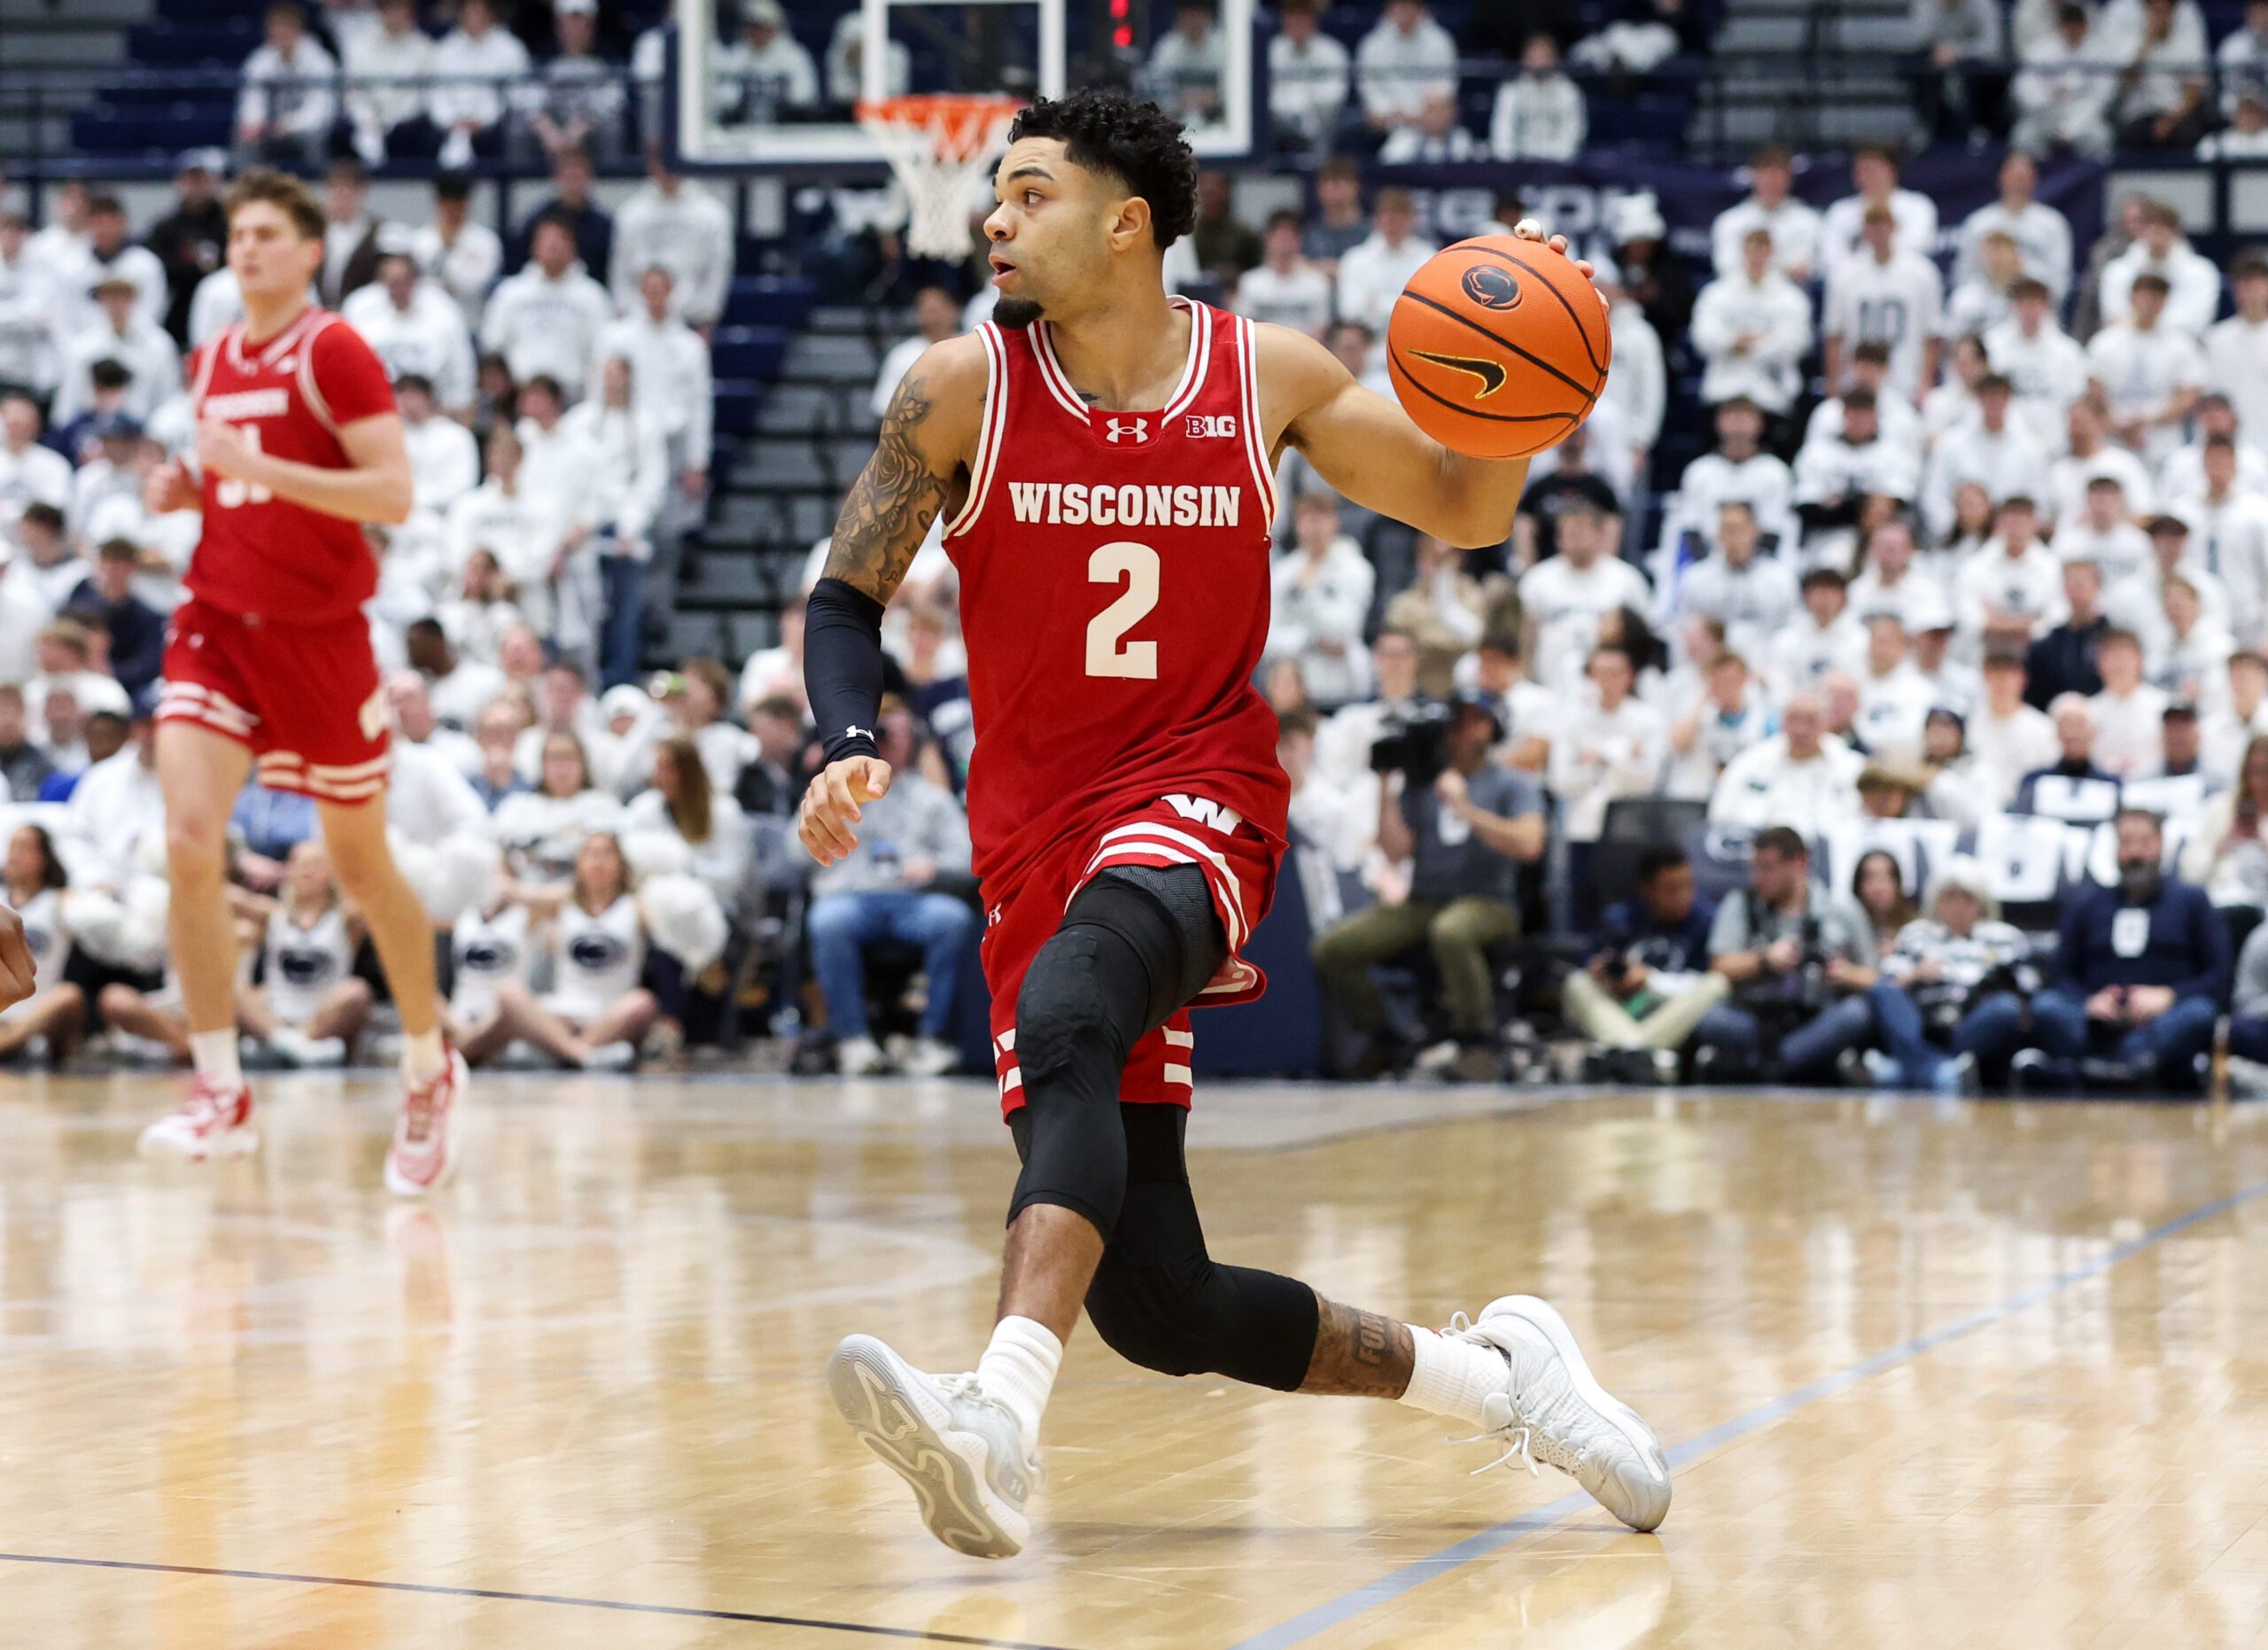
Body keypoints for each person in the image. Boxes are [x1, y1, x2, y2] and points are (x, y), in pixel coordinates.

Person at [799, 91, 1669, 1560]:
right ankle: (1505, 1377)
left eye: (1029, 194)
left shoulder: (1267, 373)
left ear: (1126, 222)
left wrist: (1522, 400)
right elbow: (846, 596)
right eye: (994, 197)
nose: (992, 220)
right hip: (1032, 844)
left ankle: (994, 1412)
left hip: (1196, 794)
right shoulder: (958, 388)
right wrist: (837, 742)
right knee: (1162, 1302)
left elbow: (1462, 506)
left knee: (1080, 1005)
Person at [135, 167, 468, 1194]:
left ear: (311, 250)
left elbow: (393, 493)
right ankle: (219, 1087)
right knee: (188, 840)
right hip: (216, 623)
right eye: (237, 233)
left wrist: (262, 470)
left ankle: (427, 1060)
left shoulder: (335, 349)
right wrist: (195, 487)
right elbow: (243, 478)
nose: (246, 248)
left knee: (362, 866)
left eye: (268, 233)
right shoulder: (212, 355)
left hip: (320, 639)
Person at [1310, 695, 1545, 1077]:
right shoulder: (1423, 784)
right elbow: (1396, 851)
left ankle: (1476, 1041)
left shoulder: (1511, 783)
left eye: (1473, 722)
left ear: (1492, 728)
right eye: (1457, 723)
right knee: (1333, 948)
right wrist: (1386, 784)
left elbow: (1529, 844)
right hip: (1425, 899)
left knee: (1451, 931)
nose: (1462, 732)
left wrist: (1465, 808)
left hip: (1490, 901)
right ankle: (1388, 1035)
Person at [1976, 808, 2225, 1089]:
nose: (2134, 853)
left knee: (2200, 1013)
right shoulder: (2086, 904)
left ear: (2160, 845)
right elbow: (2060, 975)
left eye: (2144, 842)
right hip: (2096, 1024)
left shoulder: (2192, 902)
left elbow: (2218, 976)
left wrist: (2168, 996)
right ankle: (2121, 1070)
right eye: (2126, 842)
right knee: (2047, 1007)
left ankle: (2110, 1068)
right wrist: (2088, 1002)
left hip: (2162, 1021)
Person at [804, 698, 974, 1078]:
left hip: (912, 900)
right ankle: (852, 1040)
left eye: (896, 733)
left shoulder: (931, 797)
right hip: (850, 897)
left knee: (954, 919)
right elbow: (792, 854)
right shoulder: (838, 789)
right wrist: (820, 775)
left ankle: (930, 1040)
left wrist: (934, 867)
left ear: (912, 739)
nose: (887, 742)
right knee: (828, 922)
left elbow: (966, 858)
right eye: (880, 732)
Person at [460, 832, 659, 1070]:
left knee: (643, 1003)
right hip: (562, 1011)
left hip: (612, 1015)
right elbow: (522, 893)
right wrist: (489, 878)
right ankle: (582, 1055)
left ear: (621, 864)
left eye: (607, 854)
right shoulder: (562, 901)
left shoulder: (636, 905)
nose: (599, 861)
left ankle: (556, 1053)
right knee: (507, 992)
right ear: (579, 863)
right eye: (591, 854)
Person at [1696, 826, 1880, 1080]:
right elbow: (1719, 966)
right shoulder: (1741, 903)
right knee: (1713, 1019)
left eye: (1767, 868)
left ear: (1799, 864)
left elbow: (1874, 978)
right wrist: (1764, 958)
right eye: (1755, 867)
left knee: (1856, 1013)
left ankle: (1767, 1068)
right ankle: (1793, 1065)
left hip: (1815, 1020)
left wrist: (1844, 972)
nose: (1758, 877)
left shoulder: (1841, 909)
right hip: (1755, 1021)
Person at [1563, 844, 1729, 1081]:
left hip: (1670, 1007)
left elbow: (1700, 982)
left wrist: (1651, 981)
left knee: (1717, 983)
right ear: (1647, 890)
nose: (1684, 896)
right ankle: (1645, 1056)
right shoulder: (1620, 918)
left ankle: (1629, 1052)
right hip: (1623, 1008)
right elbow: (1594, 966)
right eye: (1672, 889)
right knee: (1577, 982)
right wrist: (1606, 975)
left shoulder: (1706, 919)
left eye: (1688, 886)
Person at [1871, 855, 2031, 1090]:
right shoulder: (1916, 934)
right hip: (1921, 1022)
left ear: (1982, 902)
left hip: (1971, 1025)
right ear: (1936, 901)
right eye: (1949, 898)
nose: (1958, 906)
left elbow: (2028, 988)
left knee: (2006, 1007)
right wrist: (1915, 974)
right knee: (1882, 991)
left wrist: (1992, 982)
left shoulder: (2005, 938)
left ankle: (1904, 1070)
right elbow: (1888, 981)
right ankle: (1942, 1071)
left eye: (1967, 898)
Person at [235, 837, 370, 1067]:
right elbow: (223, 895)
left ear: (330, 871)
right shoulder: (272, 914)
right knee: (231, 989)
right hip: (275, 1014)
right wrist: (241, 860)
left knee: (357, 992)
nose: (308, 870)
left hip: (324, 1014)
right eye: (301, 863)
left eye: (316, 863)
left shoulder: (346, 918)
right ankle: (292, 1045)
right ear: (288, 870)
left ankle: (289, 1045)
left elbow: (377, 897)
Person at [1689, 228, 1814, 419]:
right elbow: (1703, 337)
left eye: (1763, 251)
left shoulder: (1791, 297)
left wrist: (1744, 345)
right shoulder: (1717, 293)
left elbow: (1797, 342)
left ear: (1772, 253)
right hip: (1723, 390)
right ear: (1743, 252)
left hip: (1774, 395)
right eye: (1752, 250)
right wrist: (1734, 341)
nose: (1757, 257)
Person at [1709, 690, 1863, 833]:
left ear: (1826, 723)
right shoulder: (1750, 762)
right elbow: (1721, 813)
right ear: (1781, 722)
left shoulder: (1851, 767)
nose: (1801, 729)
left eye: (1810, 721)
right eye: (1793, 719)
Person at [0, 824, 88, 1062]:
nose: (13, 855)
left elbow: (97, 925)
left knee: (69, 995)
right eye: (11, 847)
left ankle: (6, 1042)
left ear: (43, 858)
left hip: (38, 1012)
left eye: (23, 848)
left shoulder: (60, 899)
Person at [235, 2, 339, 168]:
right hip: (270, 129)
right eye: (276, 28)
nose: (281, 33)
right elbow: (251, 101)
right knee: (244, 138)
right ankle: (248, 186)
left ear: (299, 30)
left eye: (287, 27)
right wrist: (256, 123)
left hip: (305, 128)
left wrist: (287, 125)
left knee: (315, 138)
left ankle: (315, 182)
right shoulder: (259, 60)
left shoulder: (319, 61)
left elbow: (320, 112)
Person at [1710, 146, 1820, 283]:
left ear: (1789, 178)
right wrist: (1784, 268)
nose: (1771, 181)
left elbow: (1805, 268)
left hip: (1790, 299)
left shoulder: (1809, 220)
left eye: (1777, 175)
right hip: (1740, 297)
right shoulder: (1730, 221)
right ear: (1754, 176)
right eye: (1766, 174)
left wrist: (1757, 265)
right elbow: (1726, 267)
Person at [1268, 0, 1352, 152]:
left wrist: (1305, 114)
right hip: (1280, 126)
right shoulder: (1271, 51)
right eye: (1292, 17)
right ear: (1284, 19)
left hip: (1323, 125)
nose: (1298, 23)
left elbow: (1334, 95)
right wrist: (1292, 115)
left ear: (1313, 20)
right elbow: (1267, 95)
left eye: (1303, 17)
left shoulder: (1332, 51)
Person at [1489, 34, 1586, 160]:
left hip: (1559, 166)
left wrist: (1552, 163)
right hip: (1517, 166)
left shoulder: (1569, 92)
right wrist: (1511, 164)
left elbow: (1573, 134)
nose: (1539, 62)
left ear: (1555, 59)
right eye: (1534, 56)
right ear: (1524, 58)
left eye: (1544, 56)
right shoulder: (1510, 92)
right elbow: (1502, 135)